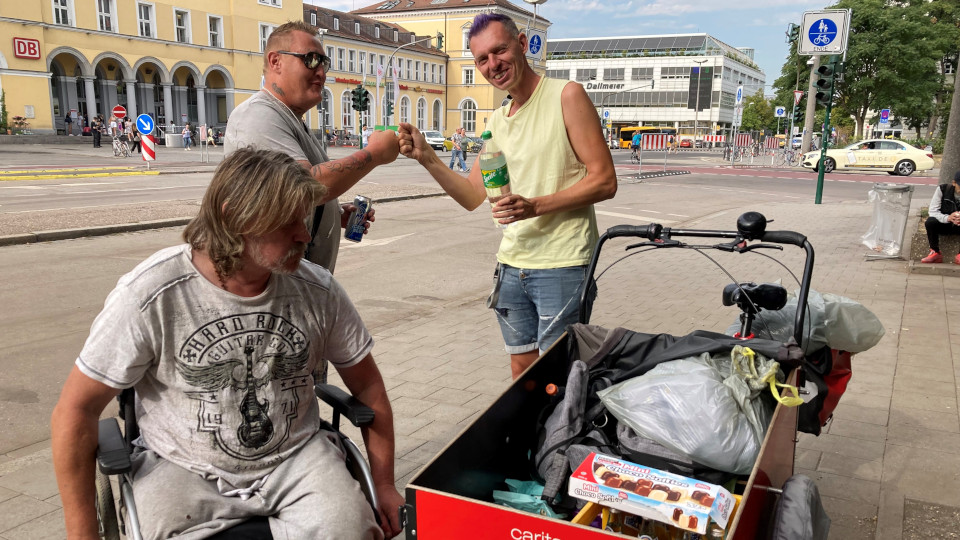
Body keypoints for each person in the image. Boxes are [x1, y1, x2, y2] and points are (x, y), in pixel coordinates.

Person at [51, 147, 403, 540]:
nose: (304, 234)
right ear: (233, 214)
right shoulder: (152, 294)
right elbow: (75, 411)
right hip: (181, 466)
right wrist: (82, 533)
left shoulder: (317, 291)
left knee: (353, 530)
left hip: (297, 460)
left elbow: (369, 387)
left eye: (304, 218)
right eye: (288, 221)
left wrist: (385, 485)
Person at [398, 13, 617, 379]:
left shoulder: (566, 95)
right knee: (523, 376)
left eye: (499, 51)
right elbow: (471, 195)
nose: (492, 65)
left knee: (559, 376)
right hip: (512, 266)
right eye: (482, 59)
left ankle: (561, 437)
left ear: (520, 43)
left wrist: (534, 206)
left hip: (562, 264)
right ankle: (531, 438)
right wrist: (427, 157)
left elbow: (605, 181)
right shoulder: (497, 121)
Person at [225, 20, 399, 274]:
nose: (321, 72)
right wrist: (373, 154)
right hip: (274, 290)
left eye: (324, 63)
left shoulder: (290, 118)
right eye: (311, 60)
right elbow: (303, 186)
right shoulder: (258, 116)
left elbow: (288, 199)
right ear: (275, 61)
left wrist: (332, 214)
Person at [921, 171, 960, 264]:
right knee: (930, 222)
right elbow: (933, 211)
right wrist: (948, 218)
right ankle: (935, 252)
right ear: (954, 183)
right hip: (944, 224)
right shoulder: (943, 189)